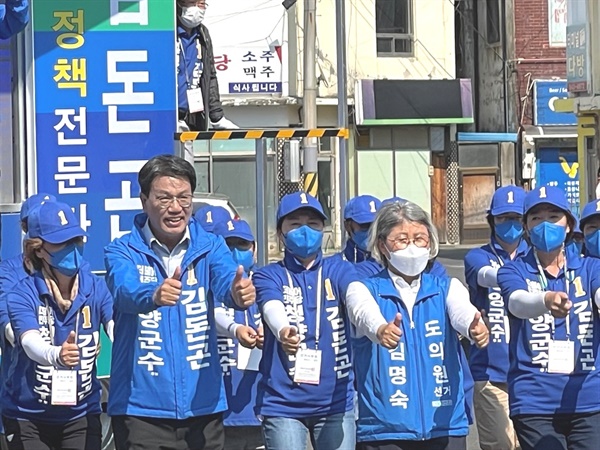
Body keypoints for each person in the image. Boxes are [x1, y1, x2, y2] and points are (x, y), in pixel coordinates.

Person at [104, 154, 255, 450]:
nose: (176, 208)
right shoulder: (121, 250)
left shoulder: (210, 246)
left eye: (184, 198)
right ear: (144, 200)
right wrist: (153, 295)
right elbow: (124, 290)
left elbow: (226, 281)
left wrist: (238, 294)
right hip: (141, 410)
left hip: (203, 406)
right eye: (164, 198)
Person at [345, 200, 489, 450]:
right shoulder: (363, 289)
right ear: (382, 245)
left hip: (444, 425)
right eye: (401, 239)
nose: (412, 247)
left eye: (420, 238)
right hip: (384, 430)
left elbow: (462, 311)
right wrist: (381, 330)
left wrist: (473, 327)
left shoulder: (446, 287)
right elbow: (364, 314)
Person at [1, 201, 113, 450]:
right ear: (39, 249)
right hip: (27, 414)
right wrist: (56, 355)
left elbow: (115, 324)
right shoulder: (22, 291)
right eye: (62, 242)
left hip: (81, 413)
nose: (72, 248)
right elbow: (28, 341)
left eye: (76, 240)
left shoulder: (94, 286)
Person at [497, 186, 600, 450]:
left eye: (554, 217)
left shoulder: (591, 267)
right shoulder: (513, 270)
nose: (545, 224)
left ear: (568, 225)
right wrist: (545, 300)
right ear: (526, 227)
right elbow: (517, 303)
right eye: (536, 218)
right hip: (534, 400)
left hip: (588, 399)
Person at [253, 192, 357, 450]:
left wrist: (377, 326)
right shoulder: (269, 275)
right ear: (280, 232)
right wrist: (283, 330)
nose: (305, 231)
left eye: (313, 224)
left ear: (324, 229)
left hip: (335, 403)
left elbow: (357, 299)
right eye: (295, 224)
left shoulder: (340, 269)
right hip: (283, 404)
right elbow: (271, 306)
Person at [463, 186, 527, 450]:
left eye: (516, 218)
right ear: (492, 220)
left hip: (532, 372)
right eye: (503, 218)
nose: (510, 225)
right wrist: (511, 277)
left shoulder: (538, 258)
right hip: (490, 371)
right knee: (501, 444)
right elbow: (484, 276)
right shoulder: (478, 256)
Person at [0, 193, 56, 440]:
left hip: (72, 405)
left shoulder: (75, 270)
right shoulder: (9, 271)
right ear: (25, 229)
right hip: (23, 399)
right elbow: (8, 323)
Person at [213, 219, 264, 450]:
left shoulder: (267, 285)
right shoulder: (209, 288)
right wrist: (235, 330)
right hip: (218, 412)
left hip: (262, 408)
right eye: (229, 245)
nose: (235, 251)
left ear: (254, 249)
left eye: (242, 245)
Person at [176, 0, 238, 164]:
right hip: (164, 115)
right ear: (179, 4)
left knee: (184, 172)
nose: (197, 8)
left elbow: (209, 76)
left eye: (202, 4)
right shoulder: (166, 31)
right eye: (192, 3)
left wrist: (216, 116)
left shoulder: (202, 34)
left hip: (187, 119)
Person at [332, 194, 382, 278]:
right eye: (365, 225)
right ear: (347, 226)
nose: (372, 231)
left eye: (378, 226)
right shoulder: (333, 268)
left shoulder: (392, 266)